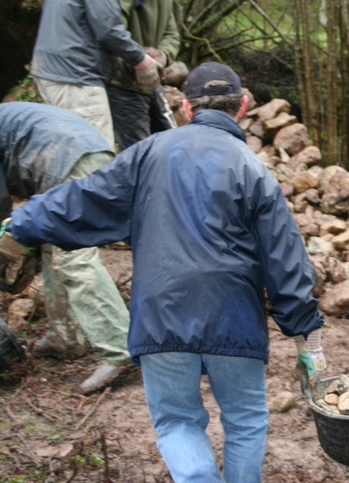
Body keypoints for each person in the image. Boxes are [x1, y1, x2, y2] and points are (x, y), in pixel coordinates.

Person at [2, 62, 326, 483]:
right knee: (246, 420)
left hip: (160, 314)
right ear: (243, 106)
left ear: (187, 108)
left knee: (176, 422)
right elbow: (285, 259)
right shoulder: (253, 168)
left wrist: (20, 226)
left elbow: (83, 198)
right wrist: (307, 338)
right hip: (234, 317)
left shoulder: (147, 153)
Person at [0, 102, 132, 394]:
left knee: (74, 260)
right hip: (76, 154)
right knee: (53, 246)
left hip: (68, 161)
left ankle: (119, 347)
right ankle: (66, 337)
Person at [30, 0, 160, 148]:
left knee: (70, 148)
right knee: (96, 150)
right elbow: (109, 30)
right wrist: (140, 59)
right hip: (77, 78)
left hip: (55, 73)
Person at [108, 0, 180, 151]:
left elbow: (172, 35)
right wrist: (140, 57)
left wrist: (162, 56)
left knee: (171, 139)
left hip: (152, 80)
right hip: (122, 84)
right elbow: (114, 32)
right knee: (138, 148)